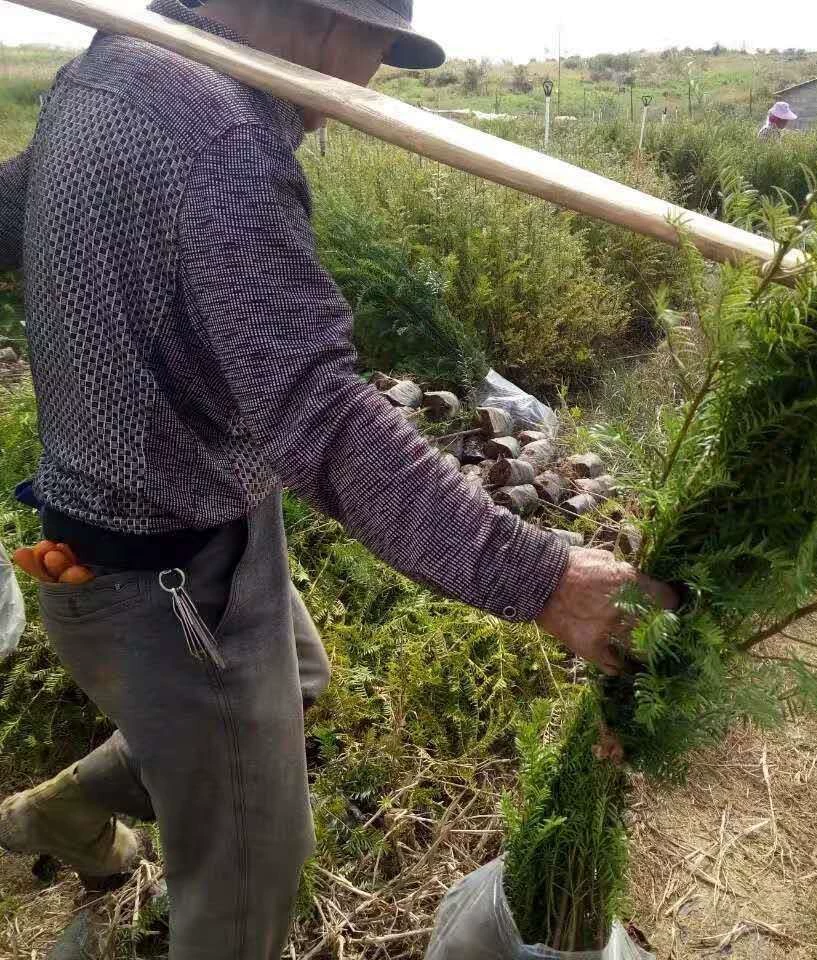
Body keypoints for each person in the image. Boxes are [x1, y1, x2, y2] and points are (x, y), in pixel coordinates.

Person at [0, 1, 677, 957]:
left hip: (181, 527)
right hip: (165, 580)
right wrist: (547, 579)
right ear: (320, 19)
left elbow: (14, 213)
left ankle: (62, 811)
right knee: (247, 891)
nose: (361, 88)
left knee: (300, 677)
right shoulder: (223, 134)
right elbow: (319, 414)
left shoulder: (110, 69)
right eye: (377, 46)